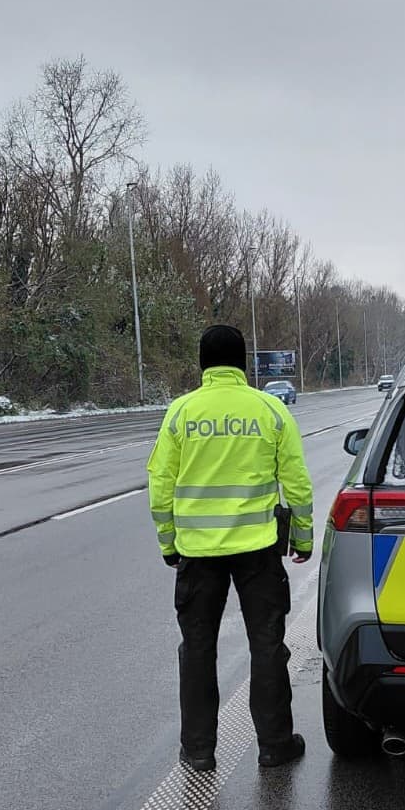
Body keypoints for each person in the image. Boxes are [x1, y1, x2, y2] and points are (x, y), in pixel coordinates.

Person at [147, 325, 314, 772]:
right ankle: (275, 745)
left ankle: (198, 750)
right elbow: (296, 482)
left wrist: (168, 543)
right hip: (258, 550)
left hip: (197, 554)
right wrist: (302, 537)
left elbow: (160, 486)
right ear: (243, 364)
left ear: (202, 365)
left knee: (197, 649)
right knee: (267, 645)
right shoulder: (269, 410)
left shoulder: (181, 413)